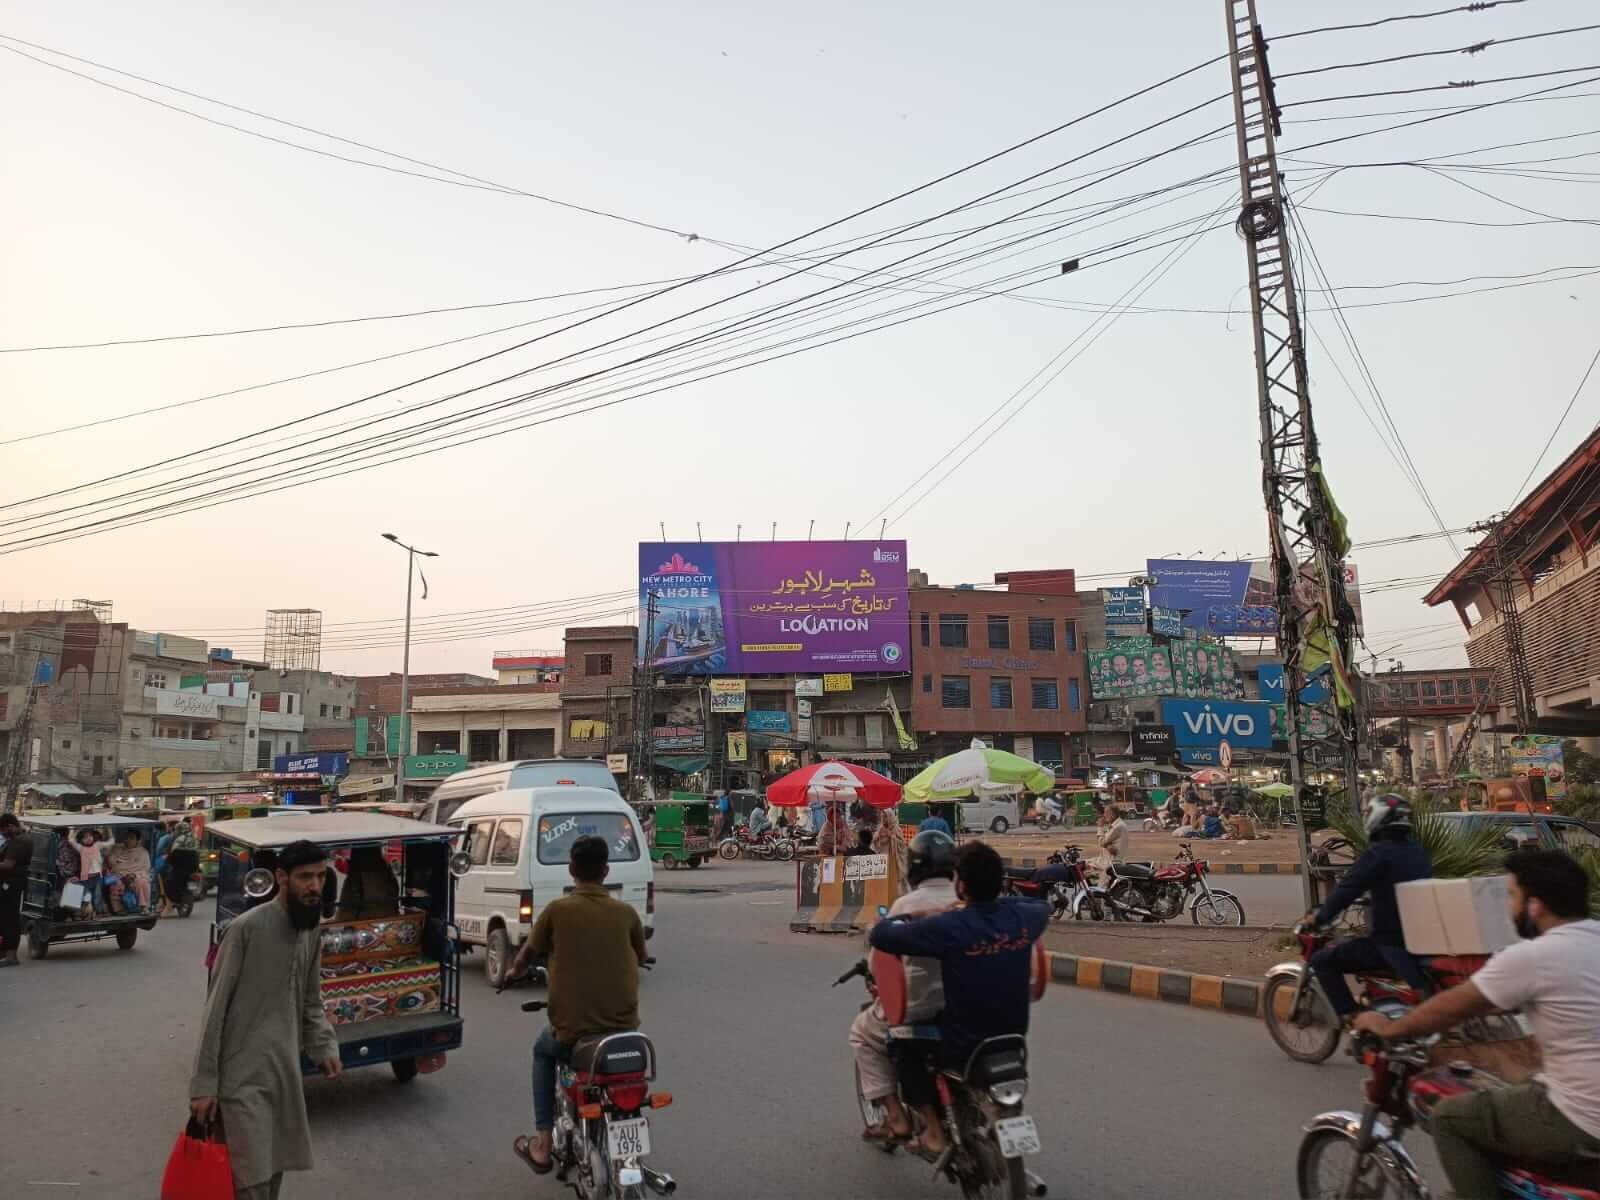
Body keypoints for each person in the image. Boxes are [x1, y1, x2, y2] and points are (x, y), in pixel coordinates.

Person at [1353, 849, 1600, 1197]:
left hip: (1582, 1119)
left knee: (1450, 1118)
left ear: (1535, 905)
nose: (1509, 907)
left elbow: (1451, 1008)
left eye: (1513, 895)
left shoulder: (1533, 957)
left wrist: (1389, 1028)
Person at [869, 842, 1049, 1157]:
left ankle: (933, 1132)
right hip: (1013, 1038)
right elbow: (1041, 908)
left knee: (901, 1044)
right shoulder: (1022, 918)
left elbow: (881, 935)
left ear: (961, 884)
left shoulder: (948, 926)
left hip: (962, 1043)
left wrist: (921, 915)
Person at [189, 839, 342, 1200]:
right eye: (305, 877)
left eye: (321, 876)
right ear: (281, 878)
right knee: (250, 1181)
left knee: (272, 1172)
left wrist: (323, 1044)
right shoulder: (246, 929)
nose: (315, 886)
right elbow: (215, 1010)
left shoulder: (310, 930)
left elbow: (310, 999)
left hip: (283, 1073)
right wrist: (203, 1084)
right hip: (241, 1078)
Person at [507, 835, 647, 1175]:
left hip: (574, 1033)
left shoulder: (557, 911)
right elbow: (641, 956)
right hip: (624, 1031)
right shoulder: (626, 912)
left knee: (543, 1050)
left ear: (572, 869)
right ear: (605, 870)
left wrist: (512, 973)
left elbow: (526, 956)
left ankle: (541, 1145)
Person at [850, 830, 959, 1145]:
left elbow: (877, 962)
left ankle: (897, 1119)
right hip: (963, 1006)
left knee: (861, 1032)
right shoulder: (966, 903)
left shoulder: (905, 906)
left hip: (919, 1009)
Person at [1301, 793, 1432, 1023]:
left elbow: (1347, 890)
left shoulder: (1378, 854)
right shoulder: (1418, 852)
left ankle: (1353, 1018)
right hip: (1420, 942)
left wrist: (1320, 917)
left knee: (1321, 961)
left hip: (1390, 944)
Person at [0, 813, 32, 967]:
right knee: (6, 918)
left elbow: (8, 865)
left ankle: (11, 956)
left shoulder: (19, 841)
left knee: (9, 919)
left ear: (11, 826)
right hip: (11, 883)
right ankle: (6, 953)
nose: (3, 834)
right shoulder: (19, 839)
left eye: (4, 830)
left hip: (11, 884)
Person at [335, 845, 400, 920]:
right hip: (390, 924)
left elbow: (345, 914)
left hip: (362, 925)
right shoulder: (389, 875)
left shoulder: (354, 878)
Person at [105, 828, 152, 912]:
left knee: (142, 882)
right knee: (115, 884)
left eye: (132, 838)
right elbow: (112, 864)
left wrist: (134, 875)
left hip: (136, 877)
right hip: (119, 876)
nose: (128, 840)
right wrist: (123, 875)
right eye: (127, 837)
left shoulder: (143, 852)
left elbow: (145, 869)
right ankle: (119, 910)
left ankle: (144, 907)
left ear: (137, 840)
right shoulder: (117, 848)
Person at [161, 819, 200, 918]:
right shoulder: (194, 838)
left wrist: (169, 860)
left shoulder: (179, 839)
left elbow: (174, 854)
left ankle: (173, 901)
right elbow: (197, 853)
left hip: (180, 867)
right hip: (193, 867)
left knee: (168, 882)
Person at [1095, 804, 1126, 871]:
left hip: (1110, 863)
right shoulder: (1117, 824)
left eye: (1106, 813)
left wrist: (1100, 827)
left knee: (1081, 867)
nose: (1104, 815)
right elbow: (1105, 843)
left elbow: (1101, 842)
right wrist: (1107, 845)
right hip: (1109, 859)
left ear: (1113, 814)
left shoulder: (1117, 827)